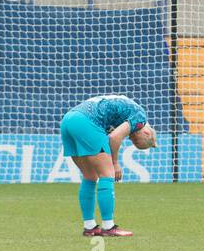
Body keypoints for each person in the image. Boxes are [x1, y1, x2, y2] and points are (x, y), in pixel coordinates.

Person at [59, 94, 157, 236]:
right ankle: (108, 227)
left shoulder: (125, 112)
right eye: (135, 139)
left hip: (68, 120)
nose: (131, 138)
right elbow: (114, 137)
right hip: (86, 121)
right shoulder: (140, 118)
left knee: (89, 176)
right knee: (107, 174)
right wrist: (115, 163)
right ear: (146, 132)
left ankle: (89, 226)